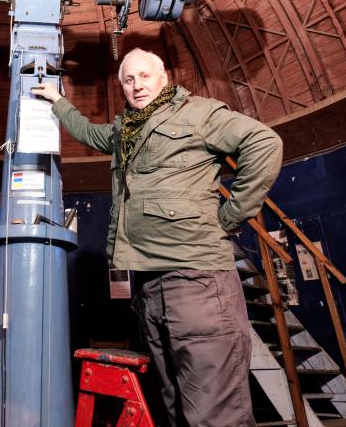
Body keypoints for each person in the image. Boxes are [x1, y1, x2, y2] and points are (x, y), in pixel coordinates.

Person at [31, 47, 282, 427]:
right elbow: (88, 132)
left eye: (145, 76)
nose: (137, 86)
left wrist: (227, 218)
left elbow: (265, 144)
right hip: (150, 288)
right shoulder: (124, 130)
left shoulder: (197, 112)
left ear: (163, 77)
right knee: (175, 411)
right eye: (129, 80)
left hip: (197, 281)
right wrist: (59, 101)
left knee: (214, 416)